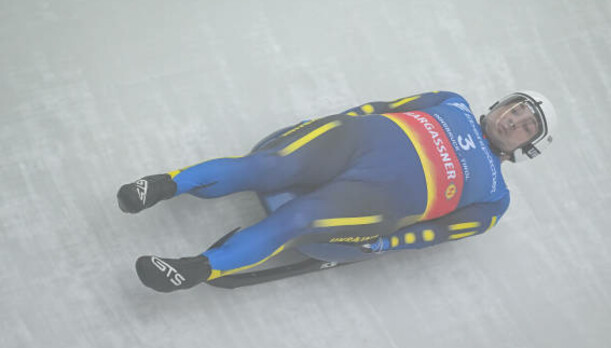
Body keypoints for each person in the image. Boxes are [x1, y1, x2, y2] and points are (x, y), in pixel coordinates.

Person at [117, 90, 556, 292]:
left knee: (295, 221)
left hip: (374, 200)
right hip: (349, 143)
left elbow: (436, 234)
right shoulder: (451, 101)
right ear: (500, 104)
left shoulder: (496, 199)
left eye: (526, 126)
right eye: (515, 110)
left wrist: (385, 243)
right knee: (266, 167)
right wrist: (334, 123)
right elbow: (382, 108)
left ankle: (195, 269)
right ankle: (164, 184)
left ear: (527, 147)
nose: (513, 121)